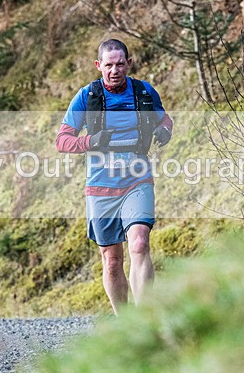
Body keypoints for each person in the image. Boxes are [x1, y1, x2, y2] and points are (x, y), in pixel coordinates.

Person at [56, 39, 173, 314]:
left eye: (120, 64)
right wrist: (91, 141)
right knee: (111, 259)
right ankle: (125, 322)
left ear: (128, 64)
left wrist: (164, 131)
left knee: (140, 243)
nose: (115, 70)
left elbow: (164, 119)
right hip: (101, 186)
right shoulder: (87, 97)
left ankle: (144, 320)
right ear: (99, 66)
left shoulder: (144, 91)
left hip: (137, 179)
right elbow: (62, 140)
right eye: (108, 65)